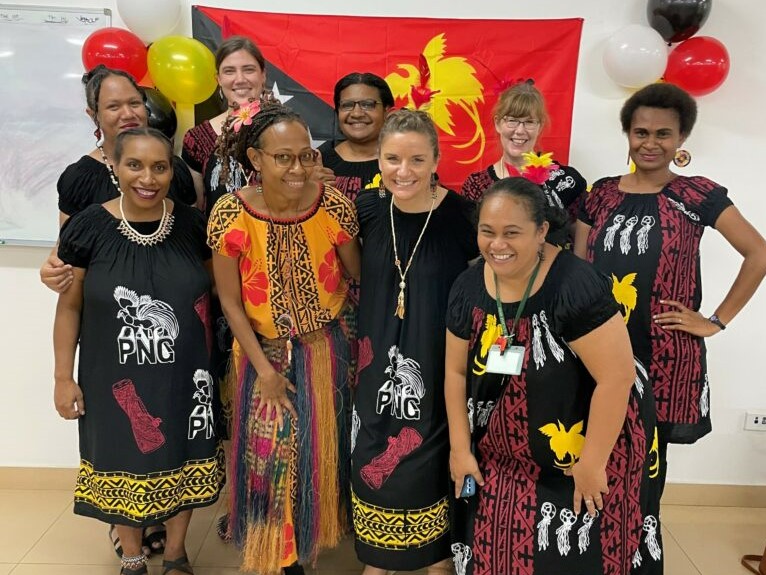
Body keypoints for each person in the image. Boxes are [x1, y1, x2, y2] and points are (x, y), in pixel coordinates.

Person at [445, 177, 654, 574]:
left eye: (512, 233)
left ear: (542, 231)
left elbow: (617, 377)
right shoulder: (468, 286)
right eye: (487, 232)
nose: (497, 245)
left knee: (575, 555)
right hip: (501, 455)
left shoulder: (573, 285)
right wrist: (460, 448)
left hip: (585, 447)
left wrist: (592, 464)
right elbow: (455, 372)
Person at [575, 82, 766, 510]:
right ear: (627, 134)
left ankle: (639, 546)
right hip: (595, 346)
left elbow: (759, 253)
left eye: (663, 133)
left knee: (646, 466)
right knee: (589, 451)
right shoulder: (601, 194)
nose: (651, 142)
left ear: (681, 138)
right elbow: (577, 266)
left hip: (664, 350)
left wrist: (715, 320)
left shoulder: (696, 194)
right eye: (641, 132)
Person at [53, 128, 224, 575]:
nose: (147, 177)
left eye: (159, 167)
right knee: (118, 456)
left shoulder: (192, 225)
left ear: (172, 171)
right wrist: (62, 377)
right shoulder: (87, 227)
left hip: (186, 374)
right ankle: (131, 556)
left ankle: (176, 555)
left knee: (187, 455)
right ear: (114, 166)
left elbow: (217, 292)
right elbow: (69, 307)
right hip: (111, 376)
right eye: (135, 165)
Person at [207, 98, 360, 575]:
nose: (298, 168)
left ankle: (310, 545)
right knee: (269, 457)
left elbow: (356, 275)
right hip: (262, 352)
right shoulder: (230, 214)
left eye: (306, 155)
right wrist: (265, 371)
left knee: (317, 453)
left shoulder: (333, 204)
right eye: (283, 157)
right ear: (255, 160)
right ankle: (278, 557)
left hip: (325, 349)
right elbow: (231, 302)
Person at [351, 109, 479, 574]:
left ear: (436, 159)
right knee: (373, 454)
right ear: (379, 160)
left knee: (429, 460)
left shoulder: (462, 216)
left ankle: (436, 560)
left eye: (416, 160)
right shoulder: (365, 209)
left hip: (438, 362)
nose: (402, 171)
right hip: (375, 363)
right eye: (392, 159)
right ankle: (378, 559)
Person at [40, 64, 196, 295]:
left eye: (134, 103)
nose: (128, 114)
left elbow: (193, 242)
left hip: (175, 304)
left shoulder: (175, 170)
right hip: (110, 312)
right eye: (114, 106)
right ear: (94, 115)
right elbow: (65, 254)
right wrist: (53, 272)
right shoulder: (79, 178)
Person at [461, 80, 586, 247]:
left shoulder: (566, 181)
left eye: (529, 122)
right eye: (512, 120)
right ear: (498, 123)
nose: (520, 130)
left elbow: (582, 245)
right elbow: (470, 247)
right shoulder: (476, 185)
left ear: (540, 126)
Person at [182, 35, 267, 215]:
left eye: (249, 69)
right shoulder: (196, 139)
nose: (240, 79)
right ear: (218, 79)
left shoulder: (287, 129)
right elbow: (197, 211)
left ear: (263, 75)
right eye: (229, 71)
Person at [315, 72, 395, 201]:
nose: (356, 113)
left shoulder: (405, 164)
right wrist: (306, 191)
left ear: (388, 112)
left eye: (368, 104)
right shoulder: (319, 165)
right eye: (347, 105)